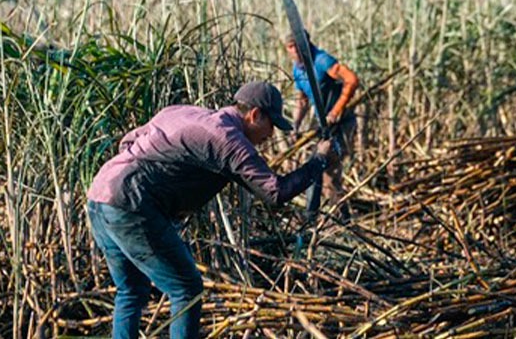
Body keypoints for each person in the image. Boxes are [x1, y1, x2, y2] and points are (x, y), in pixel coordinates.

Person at [86, 81, 334, 339]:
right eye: (271, 124)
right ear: (255, 114)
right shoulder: (228, 139)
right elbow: (275, 193)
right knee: (186, 289)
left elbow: (127, 142)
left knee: (132, 291)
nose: (271, 134)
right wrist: (319, 160)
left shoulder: (181, 112)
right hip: (130, 205)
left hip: (100, 194)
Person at [285, 31, 360, 219]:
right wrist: (295, 125)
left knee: (327, 173)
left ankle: (336, 221)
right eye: (290, 48)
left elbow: (351, 80)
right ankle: (322, 218)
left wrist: (336, 111)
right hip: (324, 127)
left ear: (306, 45)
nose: (294, 52)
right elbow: (302, 100)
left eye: (296, 47)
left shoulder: (322, 61)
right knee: (318, 169)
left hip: (341, 125)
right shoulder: (298, 69)